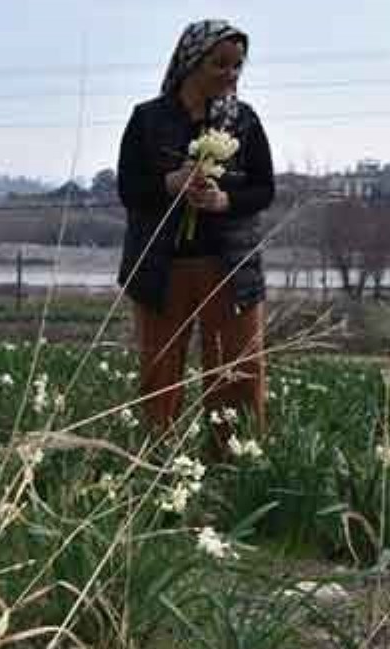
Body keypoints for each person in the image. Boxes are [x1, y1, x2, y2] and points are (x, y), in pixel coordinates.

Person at [116, 19, 276, 445]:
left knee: (238, 370)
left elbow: (264, 189)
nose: (231, 75)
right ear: (191, 62)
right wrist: (170, 184)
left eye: (238, 66)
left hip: (231, 268)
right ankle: (158, 460)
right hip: (161, 268)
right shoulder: (148, 120)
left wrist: (226, 202)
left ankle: (234, 461)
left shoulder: (243, 121)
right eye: (220, 64)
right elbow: (129, 190)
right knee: (160, 370)